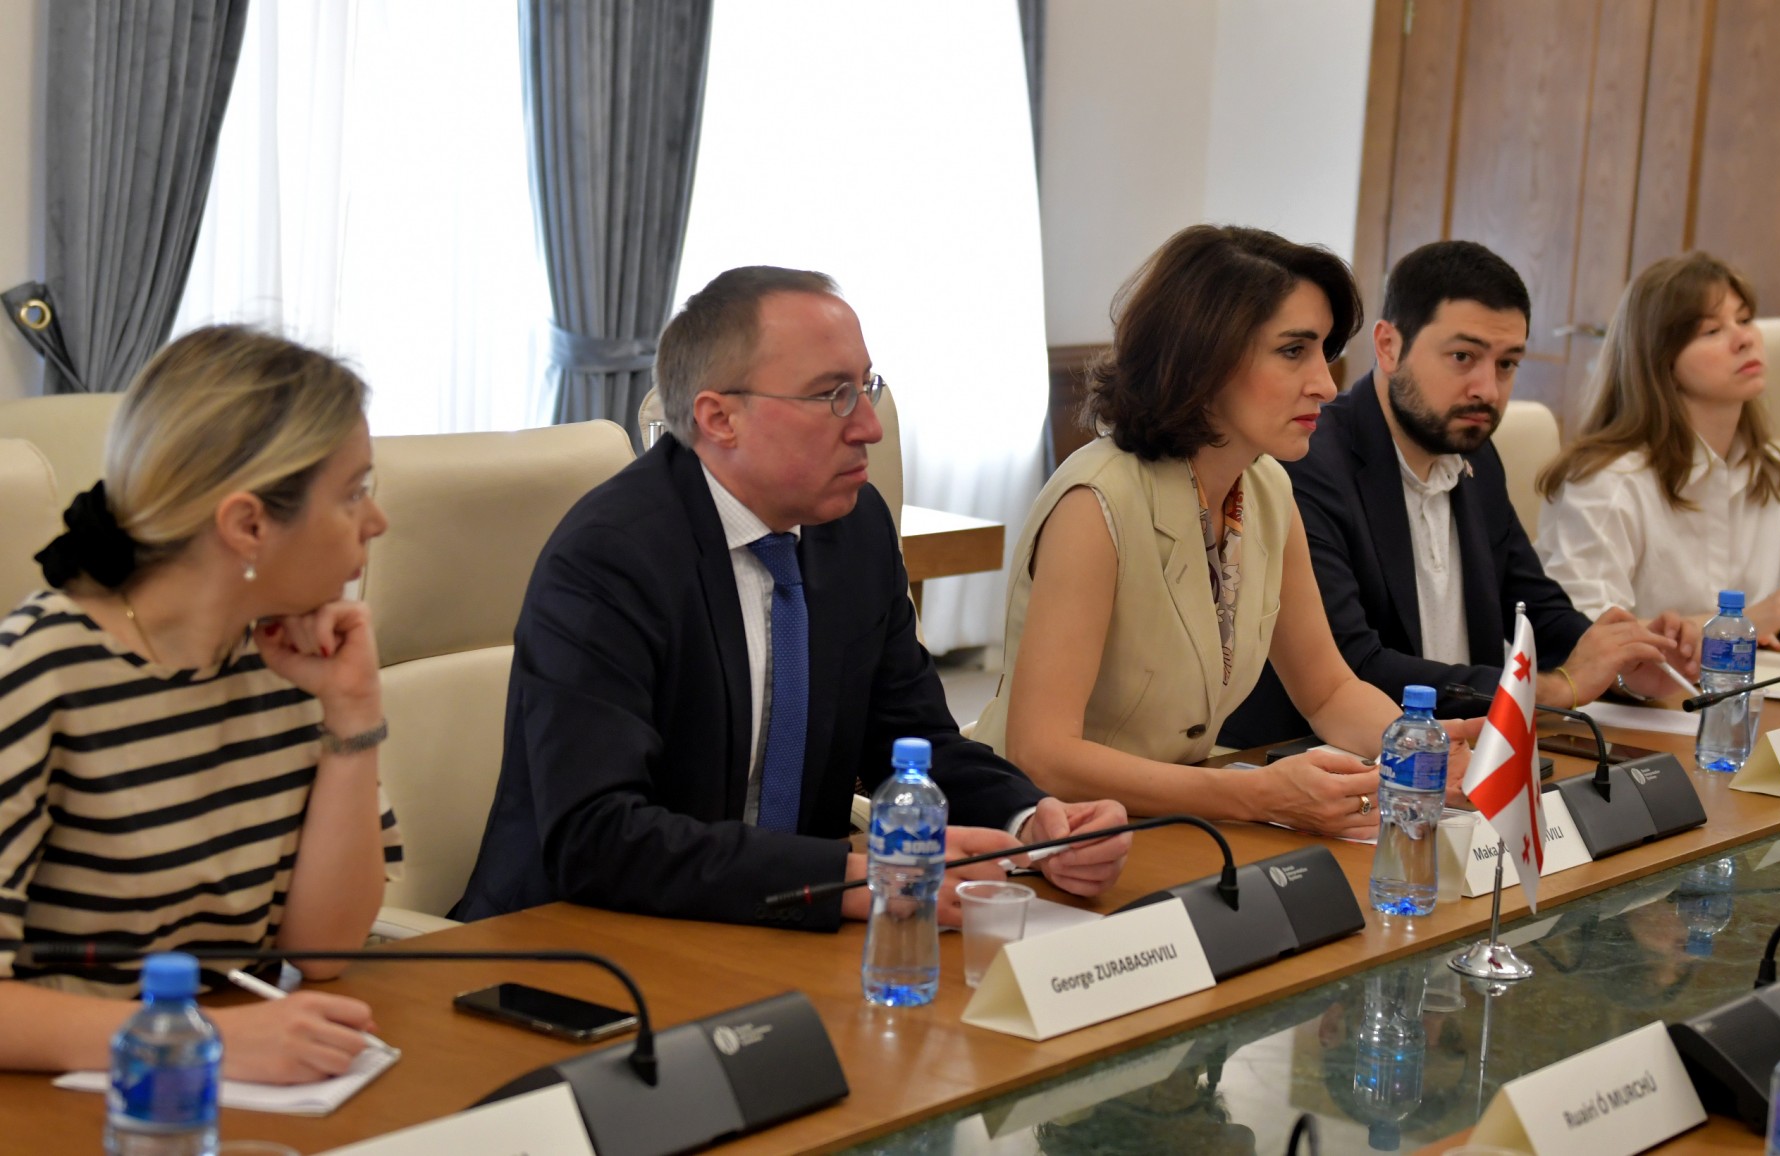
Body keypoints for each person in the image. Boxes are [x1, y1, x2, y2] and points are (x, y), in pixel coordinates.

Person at [455, 266, 1131, 930]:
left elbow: (913, 740)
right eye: (834, 395)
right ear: (720, 418)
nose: (869, 426)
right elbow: (598, 836)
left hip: (777, 929)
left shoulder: (854, 528)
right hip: (578, 938)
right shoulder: (611, 558)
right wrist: (847, 878)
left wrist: (1033, 821)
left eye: (867, 387)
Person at [971, 225, 1478, 842]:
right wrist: (1252, 794)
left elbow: (1327, 690)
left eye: (1322, 351)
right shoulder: (1096, 501)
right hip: (1037, 831)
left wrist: (1414, 744)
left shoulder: (1266, 488)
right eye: (1293, 351)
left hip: (1168, 820)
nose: (1325, 383)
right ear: (1203, 358)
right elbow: (1043, 755)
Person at [0, 326, 402, 1084]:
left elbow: (324, 950)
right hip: (58, 1098)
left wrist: (352, 712)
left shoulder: (282, 657)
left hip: (222, 1082)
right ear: (248, 525)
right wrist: (204, 1039)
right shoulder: (39, 670)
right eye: (354, 493)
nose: (376, 522)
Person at [1220, 241, 1696, 750]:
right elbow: (1357, 665)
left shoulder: (1475, 458)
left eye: (1507, 364)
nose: (1487, 390)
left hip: (1474, 751)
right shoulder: (1305, 459)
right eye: (1463, 357)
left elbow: (1537, 610)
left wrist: (1627, 661)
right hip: (1325, 759)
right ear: (1388, 346)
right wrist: (1556, 688)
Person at [1535, 251, 1780, 644]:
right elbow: (1582, 634)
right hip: (1640, 687)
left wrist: (1774, 622)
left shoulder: (1761, 471)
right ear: (1661, 363)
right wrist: (1739, 625)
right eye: (1712, 331)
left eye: (1744, 320)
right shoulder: (1607, 483)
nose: (1745, 338)